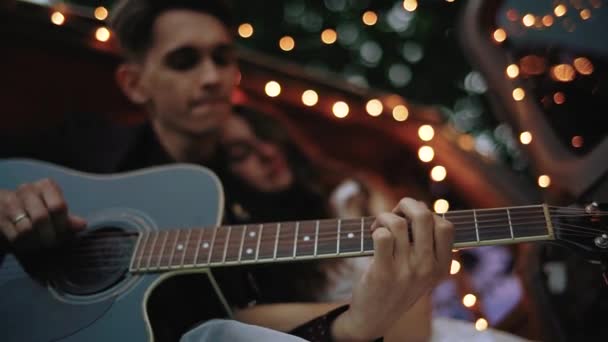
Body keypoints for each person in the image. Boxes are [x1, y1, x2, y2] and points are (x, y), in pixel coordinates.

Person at [0, 1, 455, 341]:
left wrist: (361, 315)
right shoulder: (82, 147)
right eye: (185, 61)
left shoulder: (257, 196)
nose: (213, 75)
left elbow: (252, 318)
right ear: (135, 84)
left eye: (222, 57)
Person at [216, 107, 435, 341]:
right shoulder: (253, 260)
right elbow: (239, 321)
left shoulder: (352, 195)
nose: (267, 152)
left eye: (267, 135)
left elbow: (413, 308)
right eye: (241, 153)